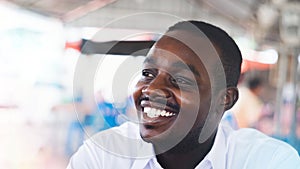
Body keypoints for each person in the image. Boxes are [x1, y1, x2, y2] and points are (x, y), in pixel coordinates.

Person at [67, 20, 300, 169]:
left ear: (225, 99)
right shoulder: (103, 156)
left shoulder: (266, 161)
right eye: (148, 73)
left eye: (181, 80)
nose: (152, 89)